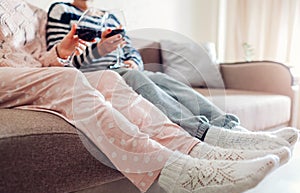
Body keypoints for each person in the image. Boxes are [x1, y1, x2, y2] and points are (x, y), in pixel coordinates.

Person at [0, 1, 297, 193]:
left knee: (129, 78)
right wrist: (96, 52)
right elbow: (78, 67)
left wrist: (62, 53)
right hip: (75, 68)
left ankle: (206, 145)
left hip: (39, 69)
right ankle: (175, 168)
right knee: (84, 78)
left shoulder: (21, 14)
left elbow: (29, 60)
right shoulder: (58, 11)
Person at [46, 0, 299, 147]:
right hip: (91, 77)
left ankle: (233, 130)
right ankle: (204, 134)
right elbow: (62, 61)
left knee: (160, 78)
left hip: (122, 71)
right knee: (132, 77)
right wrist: (99, 50)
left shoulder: (111, 16)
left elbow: (131, 51)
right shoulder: (61, 11)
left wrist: (136, 63)